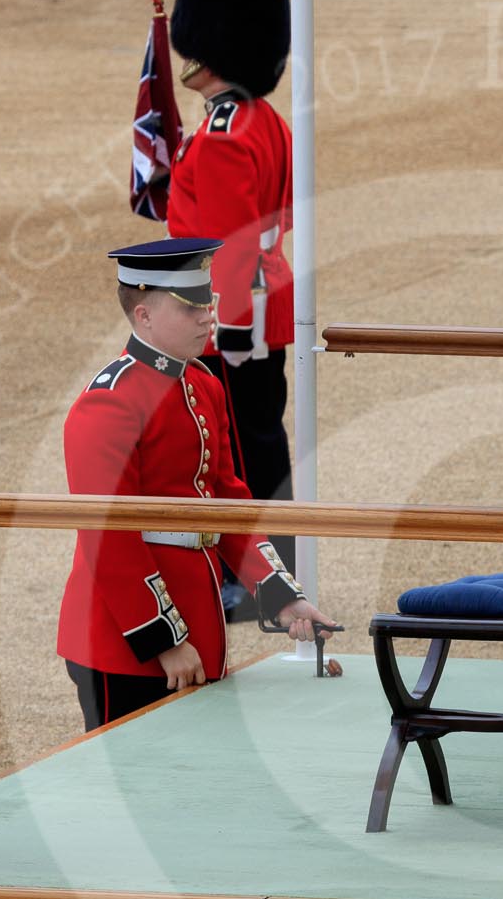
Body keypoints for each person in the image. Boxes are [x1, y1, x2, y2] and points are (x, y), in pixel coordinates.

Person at [58, 237, 337, 730]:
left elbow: (228, 503)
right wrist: (163, 640)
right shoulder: (109, 403)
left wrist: (280, 594)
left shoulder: (203, 384)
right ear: (143, 315)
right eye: (190, 307)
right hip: (124, 640)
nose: (208, 315)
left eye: (207, 301)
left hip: (197, 623)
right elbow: (108, 538)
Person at [166, 0, 297, 587]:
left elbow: (230, 248)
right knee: (260, 442)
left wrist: (231, 332)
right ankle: (275, 565)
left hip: (232, 317)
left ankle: (257, 574)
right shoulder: (261, 121)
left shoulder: (220, 133)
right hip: (265, 304)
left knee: (234, 449)